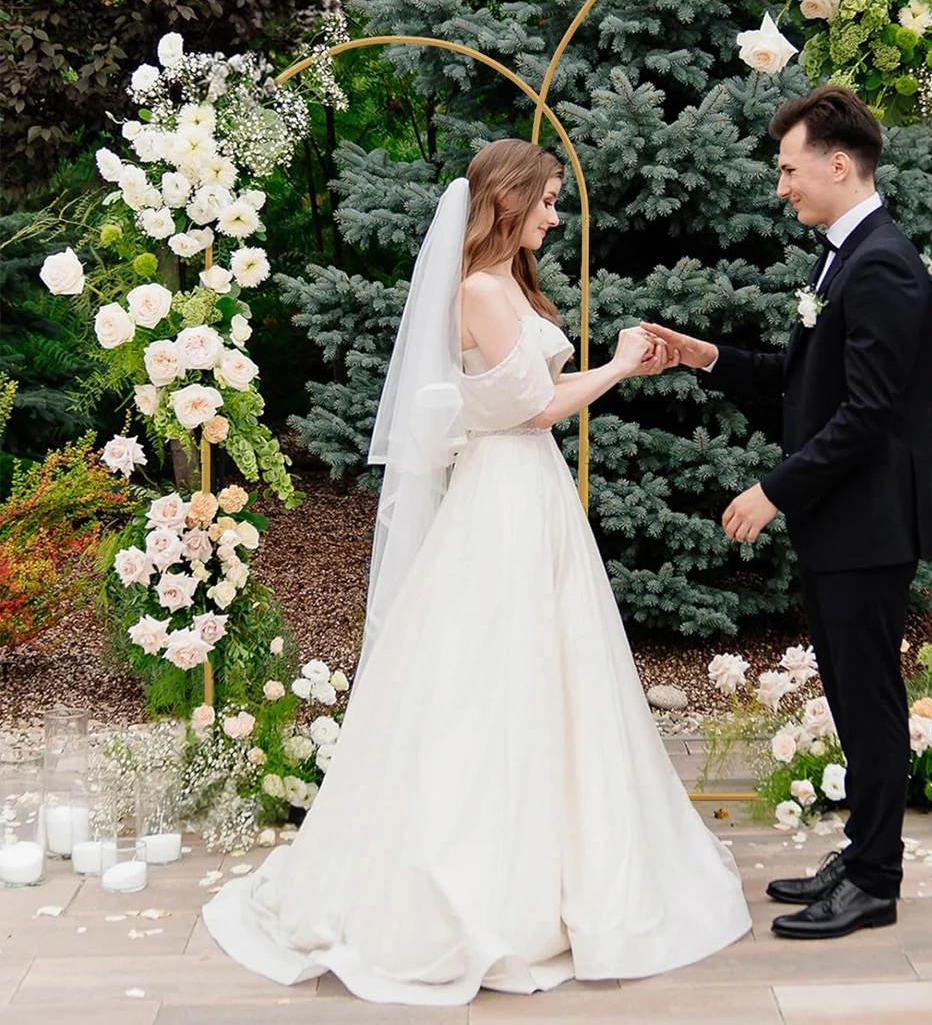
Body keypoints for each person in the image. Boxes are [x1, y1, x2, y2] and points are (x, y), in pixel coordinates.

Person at [202, 138, 750, 1004]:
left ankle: (555, 857)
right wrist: (615, 366)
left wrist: (615, 360)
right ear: (507, 201)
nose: (555, 215)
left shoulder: (510, 286)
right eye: (545, 201)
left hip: (527, 500)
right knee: (490, 677)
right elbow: (533, 409)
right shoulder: (480, 290)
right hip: (503, 498)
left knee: (545, 671)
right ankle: (484, 881)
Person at [644, 86, 932, 941]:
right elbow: (799, 376)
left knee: (869, 699)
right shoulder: (839, 257)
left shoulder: (882, 263)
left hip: (870, 524)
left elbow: (867, 412)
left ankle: (876, 880)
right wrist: (704, 356)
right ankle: (861, 853)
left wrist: (773, 489)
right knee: (855, 697)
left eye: (789, 168)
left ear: (839, 163)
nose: (781, 186)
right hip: (843, 525)